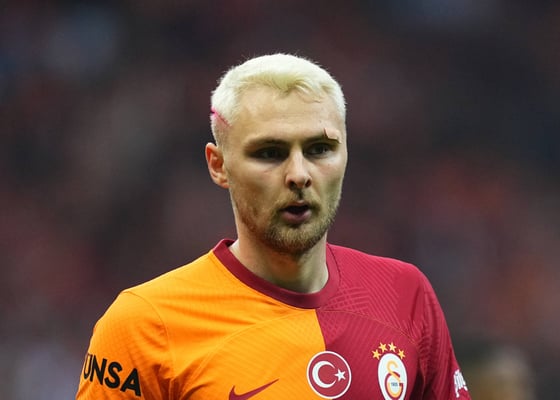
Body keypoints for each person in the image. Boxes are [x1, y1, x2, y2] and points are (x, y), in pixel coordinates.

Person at [76, 53, 471, 399]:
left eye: (320, 149)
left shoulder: (405, 294)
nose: (299, 174)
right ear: (218, 165)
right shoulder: (145, 325)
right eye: (269, 153)